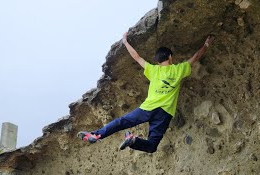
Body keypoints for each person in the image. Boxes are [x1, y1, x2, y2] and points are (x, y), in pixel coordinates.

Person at [77, 32, 214, 153]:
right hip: (165, 113)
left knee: (121, 122)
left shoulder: (153, 70)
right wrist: (207, 44)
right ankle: (133, 141)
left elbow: (136, 57)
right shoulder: (179, 69)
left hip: (148, 107)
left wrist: (125, 41)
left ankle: (96, 135)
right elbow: (196, 56)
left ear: (158, 60)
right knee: (151, 146)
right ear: (170, 56)